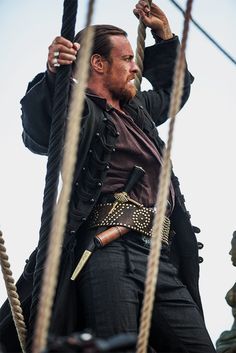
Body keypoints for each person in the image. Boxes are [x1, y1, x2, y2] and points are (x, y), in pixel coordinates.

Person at [0, 1, 216, 352]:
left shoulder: (136, 110)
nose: (134, 68)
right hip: (108, 252)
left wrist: (164, 37)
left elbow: (172, 92)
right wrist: (54, 74)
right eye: (127, 59)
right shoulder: (79, 111)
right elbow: (41, 132)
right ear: (98, 63)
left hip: (161, 256)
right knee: (117, 347)